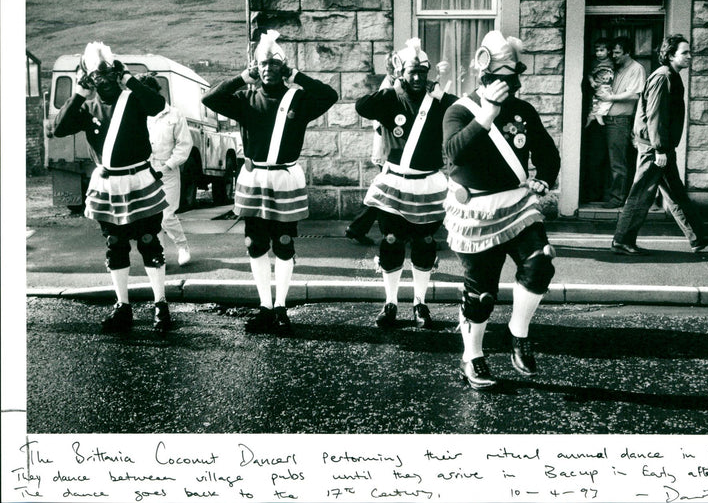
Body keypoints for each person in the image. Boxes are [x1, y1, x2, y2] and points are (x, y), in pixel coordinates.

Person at [443, 30, 560, 391]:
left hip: (518, 204)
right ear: (485, 77)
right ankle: (472, 357)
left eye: (515, 78)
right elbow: (453, 154)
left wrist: (545, 179)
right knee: (481, 295)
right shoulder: (459, 110)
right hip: (476, 211)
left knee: (540, 262)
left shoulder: (524, 110)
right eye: (503, 79)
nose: (511, 85)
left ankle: (518, 333)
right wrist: (486, 117)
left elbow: (546, 151)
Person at [202, 30, 338, 334]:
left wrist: (296, 75)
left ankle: (281, 307)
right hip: (255, 178)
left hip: (284, 178)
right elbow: (209, 97)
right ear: (255, 67)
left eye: (274, 65)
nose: (267, 70)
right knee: (255, 244)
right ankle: (265, 306)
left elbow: (330, 95)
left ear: (283, 67)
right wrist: (241, 78)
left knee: (285, 244)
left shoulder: (299, 99)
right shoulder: (245, 98)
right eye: (262, 65)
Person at [53, 42, 171, 333]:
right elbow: (58, 128)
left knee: (148, 241)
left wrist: (129, 78)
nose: (102, 80)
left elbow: (158, 106)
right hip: (108, 184)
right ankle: (123, 306)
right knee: (115, 245)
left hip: (138, 181)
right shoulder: (87, 107)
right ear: (88, 78)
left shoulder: (133, 98)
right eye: (95, 75)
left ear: (115, 71)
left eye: (107, 72)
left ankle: (161, 304)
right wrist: (79, 94)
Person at [355, 39, 455, 329]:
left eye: (422, 73)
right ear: (402, 73)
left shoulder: (437, 102)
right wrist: (391, 84)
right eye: (412, 72)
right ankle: (390, 304)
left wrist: (442, 94)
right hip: (395, 186)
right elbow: (363, 106)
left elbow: (462, 111)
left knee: (425, 245)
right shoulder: (390, 99)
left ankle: (420, 304)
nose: (417, 78)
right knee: (391, 243)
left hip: (427, 185)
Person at [612, 35, 708, 256]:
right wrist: (659, 149)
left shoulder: (672, 76)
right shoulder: (663, 77)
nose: (689, 56)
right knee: (641, 194)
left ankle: (698, 237)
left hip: (660, 147)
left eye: (689, 52)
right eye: (685, 53)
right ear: (671, 55)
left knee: (676, 193)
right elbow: (656, 115)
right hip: (654, 148)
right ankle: (621, 241)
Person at [140, 74, 193, 266]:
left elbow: (184, 145)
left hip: (167, 170)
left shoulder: (174, 114)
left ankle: (182, 246)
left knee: (166, 215)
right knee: (150, 217)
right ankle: (158, 254)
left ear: (156, 93)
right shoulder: (137, 113)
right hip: (144, 171)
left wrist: (167, 166)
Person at [595, 36, 646, 208]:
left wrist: (611, 97)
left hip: (620, 121)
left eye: (617, 52)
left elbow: (634, 94)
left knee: (618, 162)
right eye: (613, 52)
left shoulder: (636, 69)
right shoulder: (615, 68)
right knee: (606, 160)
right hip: (607, 119)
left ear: (628, 52)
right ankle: (606, 194)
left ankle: (618, 198)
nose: (613, 55)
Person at [585, 38, 615, 127]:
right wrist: (592, 82)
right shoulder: (595, 63)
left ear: (608, 51)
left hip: (607, 85)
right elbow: (589, 74)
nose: (598, 53)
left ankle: (591, 115)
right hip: (600, 85)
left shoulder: (611, 61)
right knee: (607, 100)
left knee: (598, 101)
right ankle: (599, 114)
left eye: (602, 50)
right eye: (597, 51)